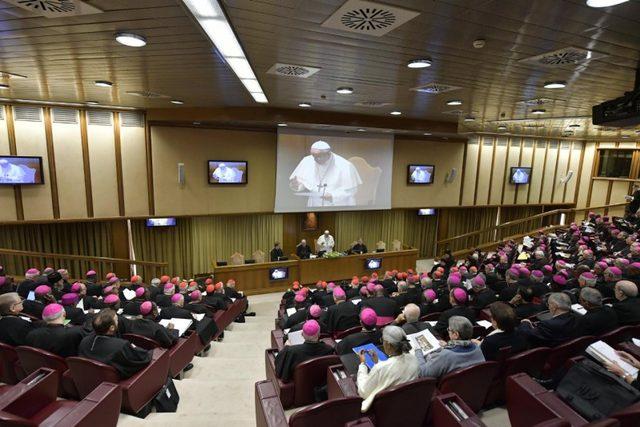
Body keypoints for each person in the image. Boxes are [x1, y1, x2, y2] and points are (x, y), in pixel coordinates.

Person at [357, 325, 419, 412]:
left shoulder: (381, 368)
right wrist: (377, 362)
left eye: (382, 340)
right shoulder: (414, 359)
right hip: (405, 403)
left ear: (388, 345)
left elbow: (363, 392)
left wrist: (362, 364)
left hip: (384, 408)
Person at [78, 309, 152, 378]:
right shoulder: (121, 346)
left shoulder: (84, 341)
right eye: (117, 320)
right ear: (112, 328)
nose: (118, 322)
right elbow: (143, 358)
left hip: (93, 379)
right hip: (115, 382)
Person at [289, 140, 362, 207]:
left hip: (337, 204)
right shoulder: (307, 161)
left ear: (328, 153)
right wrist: (296, 185)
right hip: (314, 204)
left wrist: (332, 196)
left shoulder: (344, 165)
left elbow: (352, 190)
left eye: (319, 156)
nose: (315, 159)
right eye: (314, 156)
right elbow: (302, 184)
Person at [415, 316, 485, 379]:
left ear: (456, 334)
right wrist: (447, 345)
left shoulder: (446, 355)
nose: (448, 331)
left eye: (449, 329)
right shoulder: (477, 347)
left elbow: (423, 373)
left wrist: (418, 351)